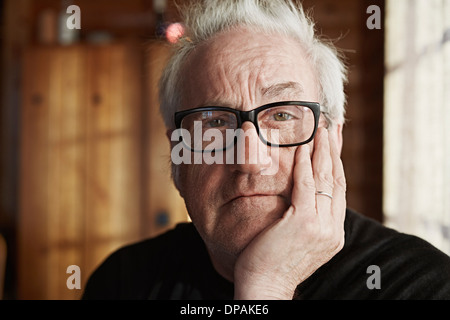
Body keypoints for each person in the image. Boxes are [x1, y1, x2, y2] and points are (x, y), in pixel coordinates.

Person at [82, 0, 450, 300]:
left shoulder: (423, 285)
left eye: (282, 114)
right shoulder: (123, 281)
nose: (249, 160)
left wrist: (266, 286)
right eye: (215, 123)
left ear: (332, 140)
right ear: (178, 156)